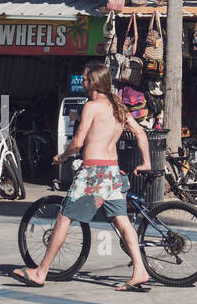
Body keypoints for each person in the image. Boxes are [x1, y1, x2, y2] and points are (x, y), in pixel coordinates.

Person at [12, 62, 151, 290]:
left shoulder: (92, 106)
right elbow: (140, 132)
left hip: (93, 173)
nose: (83, 82)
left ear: (94, 82)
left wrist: (62, 156)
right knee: (122, 222)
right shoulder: (118, 107)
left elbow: (77, 142)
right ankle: (140, 270)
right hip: (112, 172)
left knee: (63, 219)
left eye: (85, 79)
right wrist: (146, 162)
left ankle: (41, 271)